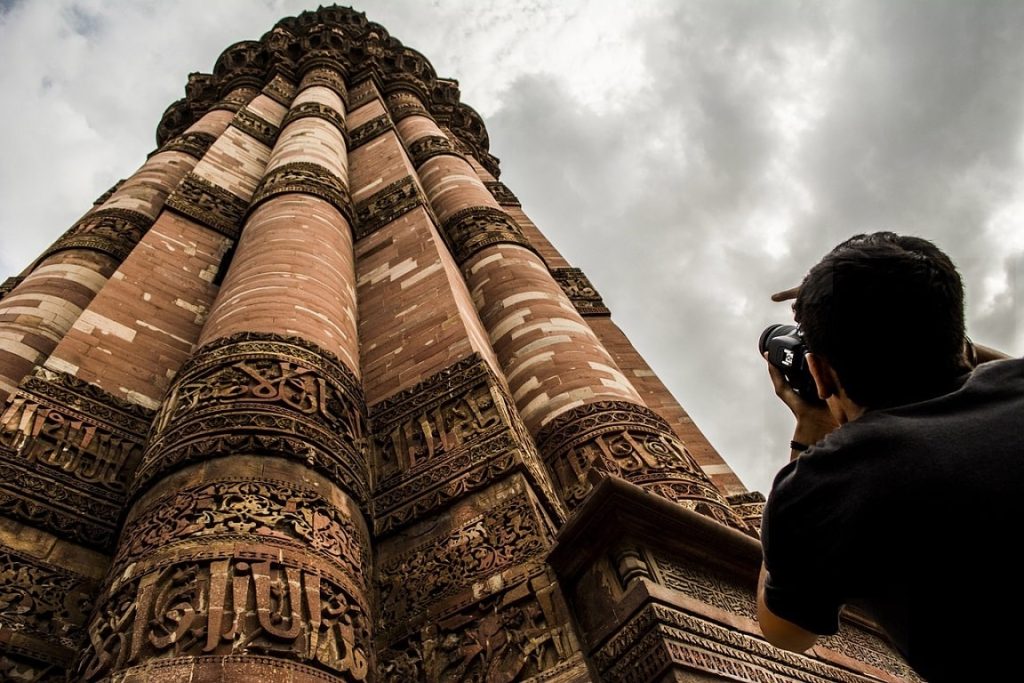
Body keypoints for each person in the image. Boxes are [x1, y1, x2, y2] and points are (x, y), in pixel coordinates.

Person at [756, 232, 1020, 682]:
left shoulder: (829, 484)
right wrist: (906, 304)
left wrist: (808, 433)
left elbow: (785, 632)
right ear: (958, 333)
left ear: (818, 372)